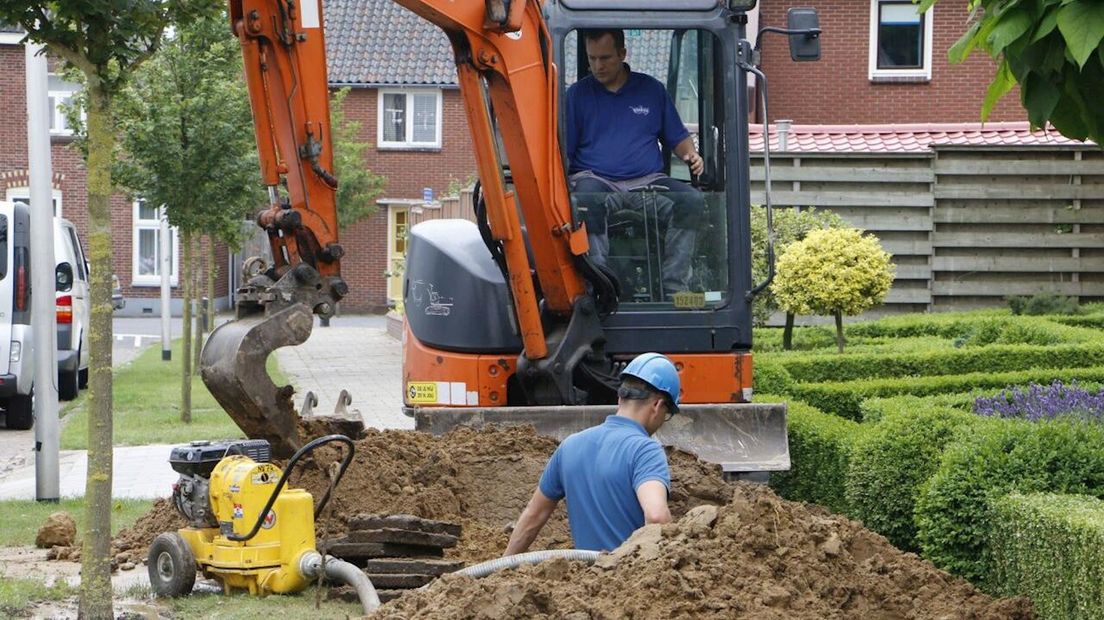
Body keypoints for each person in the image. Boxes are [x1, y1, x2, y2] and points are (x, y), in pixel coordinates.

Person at [564, 29, 705, 299]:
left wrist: (691, 155)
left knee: (691, 201)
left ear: (622, 54)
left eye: (605, 58)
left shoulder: (651, 90)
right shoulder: (577, 95)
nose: (598, 66)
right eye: (592, 58)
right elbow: (564, 153)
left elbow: (679, 139)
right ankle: (600, 287)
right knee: (586, 198)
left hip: (648, 184)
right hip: (597, 180)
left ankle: (675, 289)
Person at [503, 352, 681, 554]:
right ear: (657, 406)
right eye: (666, 415)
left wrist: (502, 567)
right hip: (632, 580)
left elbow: (532, 518)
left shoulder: (570, 446)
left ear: (620, 395)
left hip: (589, 580)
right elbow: (656, 516)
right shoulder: (645, 450)